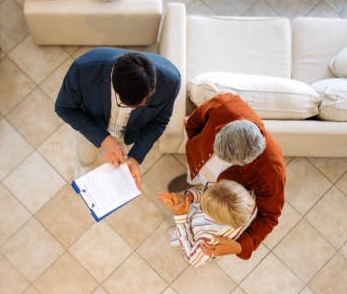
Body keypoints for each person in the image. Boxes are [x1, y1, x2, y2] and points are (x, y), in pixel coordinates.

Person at [167, 93, 286, 260]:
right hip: (199, 167)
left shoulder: (272, 170)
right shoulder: (225, 105)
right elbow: (195, 121)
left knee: (204, 196)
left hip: (219, 191)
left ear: (249, 160)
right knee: (194, 180)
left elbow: (270, 216)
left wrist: (239, 246)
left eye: (227, 161)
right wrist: (194, 144)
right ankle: (192, 180)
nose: (217, 159)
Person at [55, 48, 180, 188]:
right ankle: (84, 169)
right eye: (124, 104)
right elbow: (64, 108)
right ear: (113, 83)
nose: (132, 110)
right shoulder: (83, 69)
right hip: (91, 125)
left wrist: (135, 158)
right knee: (86, 155)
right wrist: (103, 139)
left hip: (131, 131)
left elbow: (159, 122)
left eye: (141, 105)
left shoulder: (170, 82)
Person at [158, 180, 257, 267]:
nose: (206, 190)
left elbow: (192, 259)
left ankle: (181, 234)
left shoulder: (208, 239)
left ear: (210, 214)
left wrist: (181, 219)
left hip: (203, 244)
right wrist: (189, 198)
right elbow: (208, 195)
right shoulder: (247, 200)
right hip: (208, 223)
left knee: (184, 236)